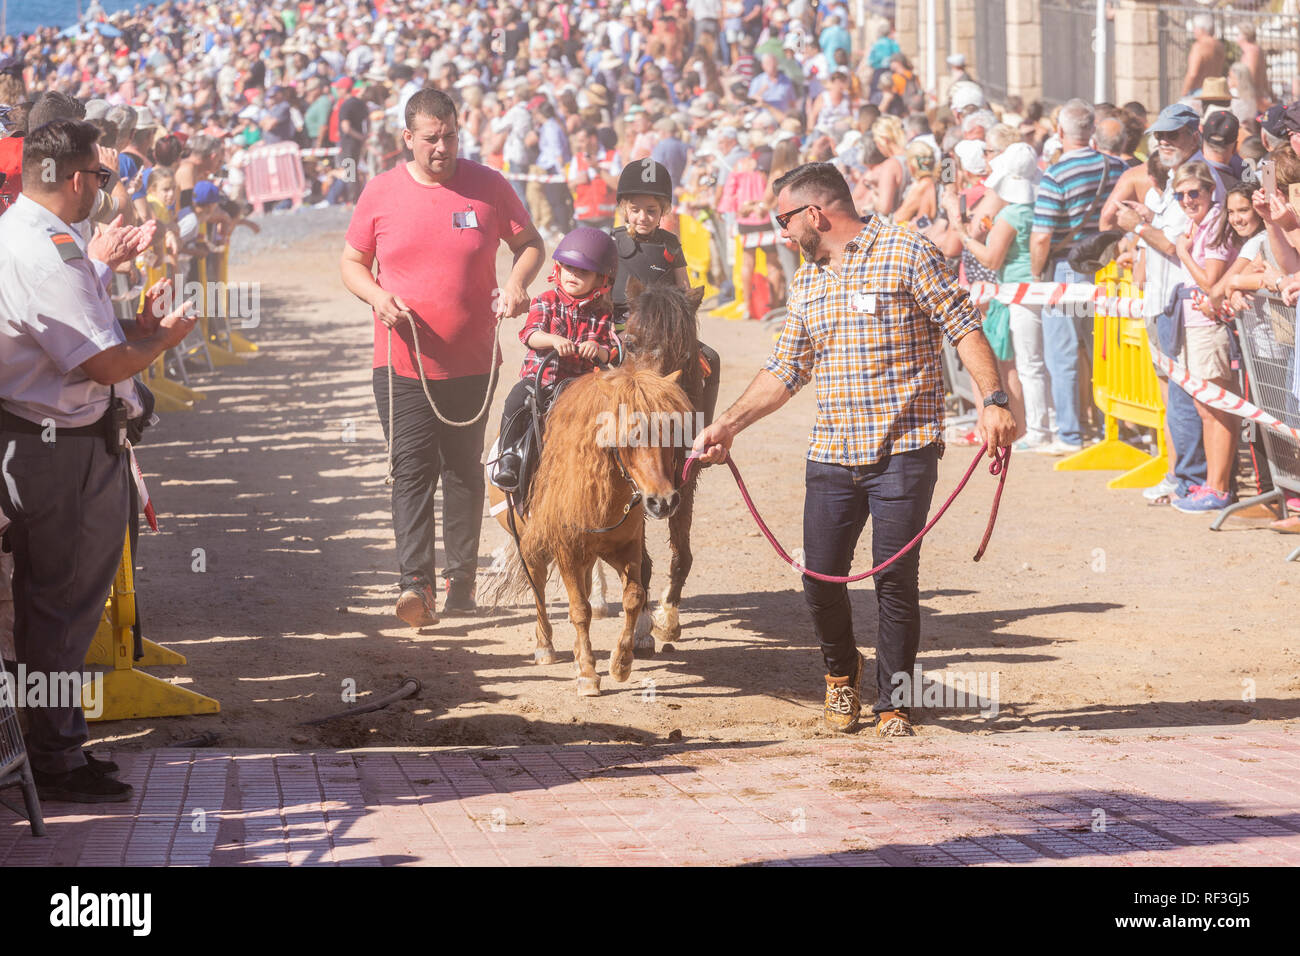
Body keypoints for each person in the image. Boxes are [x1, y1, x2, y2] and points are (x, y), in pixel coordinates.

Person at [691, 163, 1017, 737]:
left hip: (905, 447)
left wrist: (993, 399)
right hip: (833, 450)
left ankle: (895, 702)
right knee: (819, 577)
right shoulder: (810, 279)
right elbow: (788, 367)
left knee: (895, 578)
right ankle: (842, 674)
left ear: (816, 213)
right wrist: (728, 424)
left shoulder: (906, 250)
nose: (782, 234)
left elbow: (962, 325)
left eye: (785, 220)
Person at [0, 120, 195, 802]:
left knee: (56, 608)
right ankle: (53, 759)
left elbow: (93, 343)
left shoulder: (36, 237)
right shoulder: (42, 248)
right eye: (100, 179)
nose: (102, 192)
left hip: (60, 439)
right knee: (58, 611)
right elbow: (101, 363)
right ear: (77, 179)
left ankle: (52, 748)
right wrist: (160, 341)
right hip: (60, 447)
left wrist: (133, 333)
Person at [340, 89, 545, 625]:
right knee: (411, 469)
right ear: (408, 138)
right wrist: (378, 297)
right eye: (431, 138)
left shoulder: (489, 185)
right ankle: (415, 586)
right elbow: (352, 263)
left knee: (464, 472)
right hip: (400, 361)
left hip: (475, 360)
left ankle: (462, 581)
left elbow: (530, 244)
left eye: (450, 135)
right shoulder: (381, 192)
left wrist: (517, 284)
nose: (442, 147)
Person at [1115, 103, 1226, 503]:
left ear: (1194, 134)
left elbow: (1180, 248)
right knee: (1176, 396)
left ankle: (1188, 479)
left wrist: (1140, 226)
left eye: (1172, 134)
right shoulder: (1181, 176)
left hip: (1182, 301)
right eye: (1159, 135)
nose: (1163, 141)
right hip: (1166, 299)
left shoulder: (1197, 179)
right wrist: (1148, 219)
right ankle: (1180, 474)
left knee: (1183, 397)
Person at [1030, 99, 1127, 455]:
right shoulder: (1116, 167)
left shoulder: (1055, 175)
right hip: (1108, 265)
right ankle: (1108, 428)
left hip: (1066, 268)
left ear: (1060, 132)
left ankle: (1071, 433)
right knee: (1104, 349)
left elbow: (1042, 235)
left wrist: (1037, 272)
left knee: (1064, 353)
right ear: (1092, 129)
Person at [492, 228, 618, 492]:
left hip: (582, 389)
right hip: (542, 381)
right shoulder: (545, 301)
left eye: (583, 272)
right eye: (569, 268)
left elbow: (612, 353)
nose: (574, 275)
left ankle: (614, 470)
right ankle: (508, 456)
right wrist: (553, 340)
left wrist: (597, 349)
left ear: (600, 279)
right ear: (558, 269)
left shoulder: (603, 314)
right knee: (516, 399)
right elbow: (530, 335)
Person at [610, 158, 720, 423]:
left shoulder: (671, 245)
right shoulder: (612, 242)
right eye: (636, 210)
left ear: (663, 211)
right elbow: (600, 289)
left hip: (665, 329)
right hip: (623, 327)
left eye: (651, 210)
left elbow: (684, 287)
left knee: (711, 360)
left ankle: (700, 431)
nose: (643, 217)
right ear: (625, 209)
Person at [952, 142, 1045, 450]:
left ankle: (1028, 430)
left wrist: (964, 235)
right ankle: (1028, 428)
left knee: (1015, 365)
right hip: (1023, 290)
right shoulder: (1037, 207)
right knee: (1023, 365)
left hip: (1012, 294)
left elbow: (991, 259)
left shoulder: (1012, 215)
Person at [1168, 160, 1240, 513]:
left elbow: (1211, 283)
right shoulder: (1195, 224)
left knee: (1218, 407)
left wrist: (1182, 252)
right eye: (1179, 194)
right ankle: (1212, 484)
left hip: (1210, 327)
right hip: (1194, 324)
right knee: (1204, 407)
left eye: (1193, 192)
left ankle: (1220, 487)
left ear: (1211, 191)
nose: (1186, 200)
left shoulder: (1213, 225)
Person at [1181, 14, 1226, 98]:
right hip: (1216, 91)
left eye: (1195, 28)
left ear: (1201, 29)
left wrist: (1184, 93)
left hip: (1199, 92)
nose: (1194, 31)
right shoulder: (1220, 46)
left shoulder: (1199, 46)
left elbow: (1192, 74)